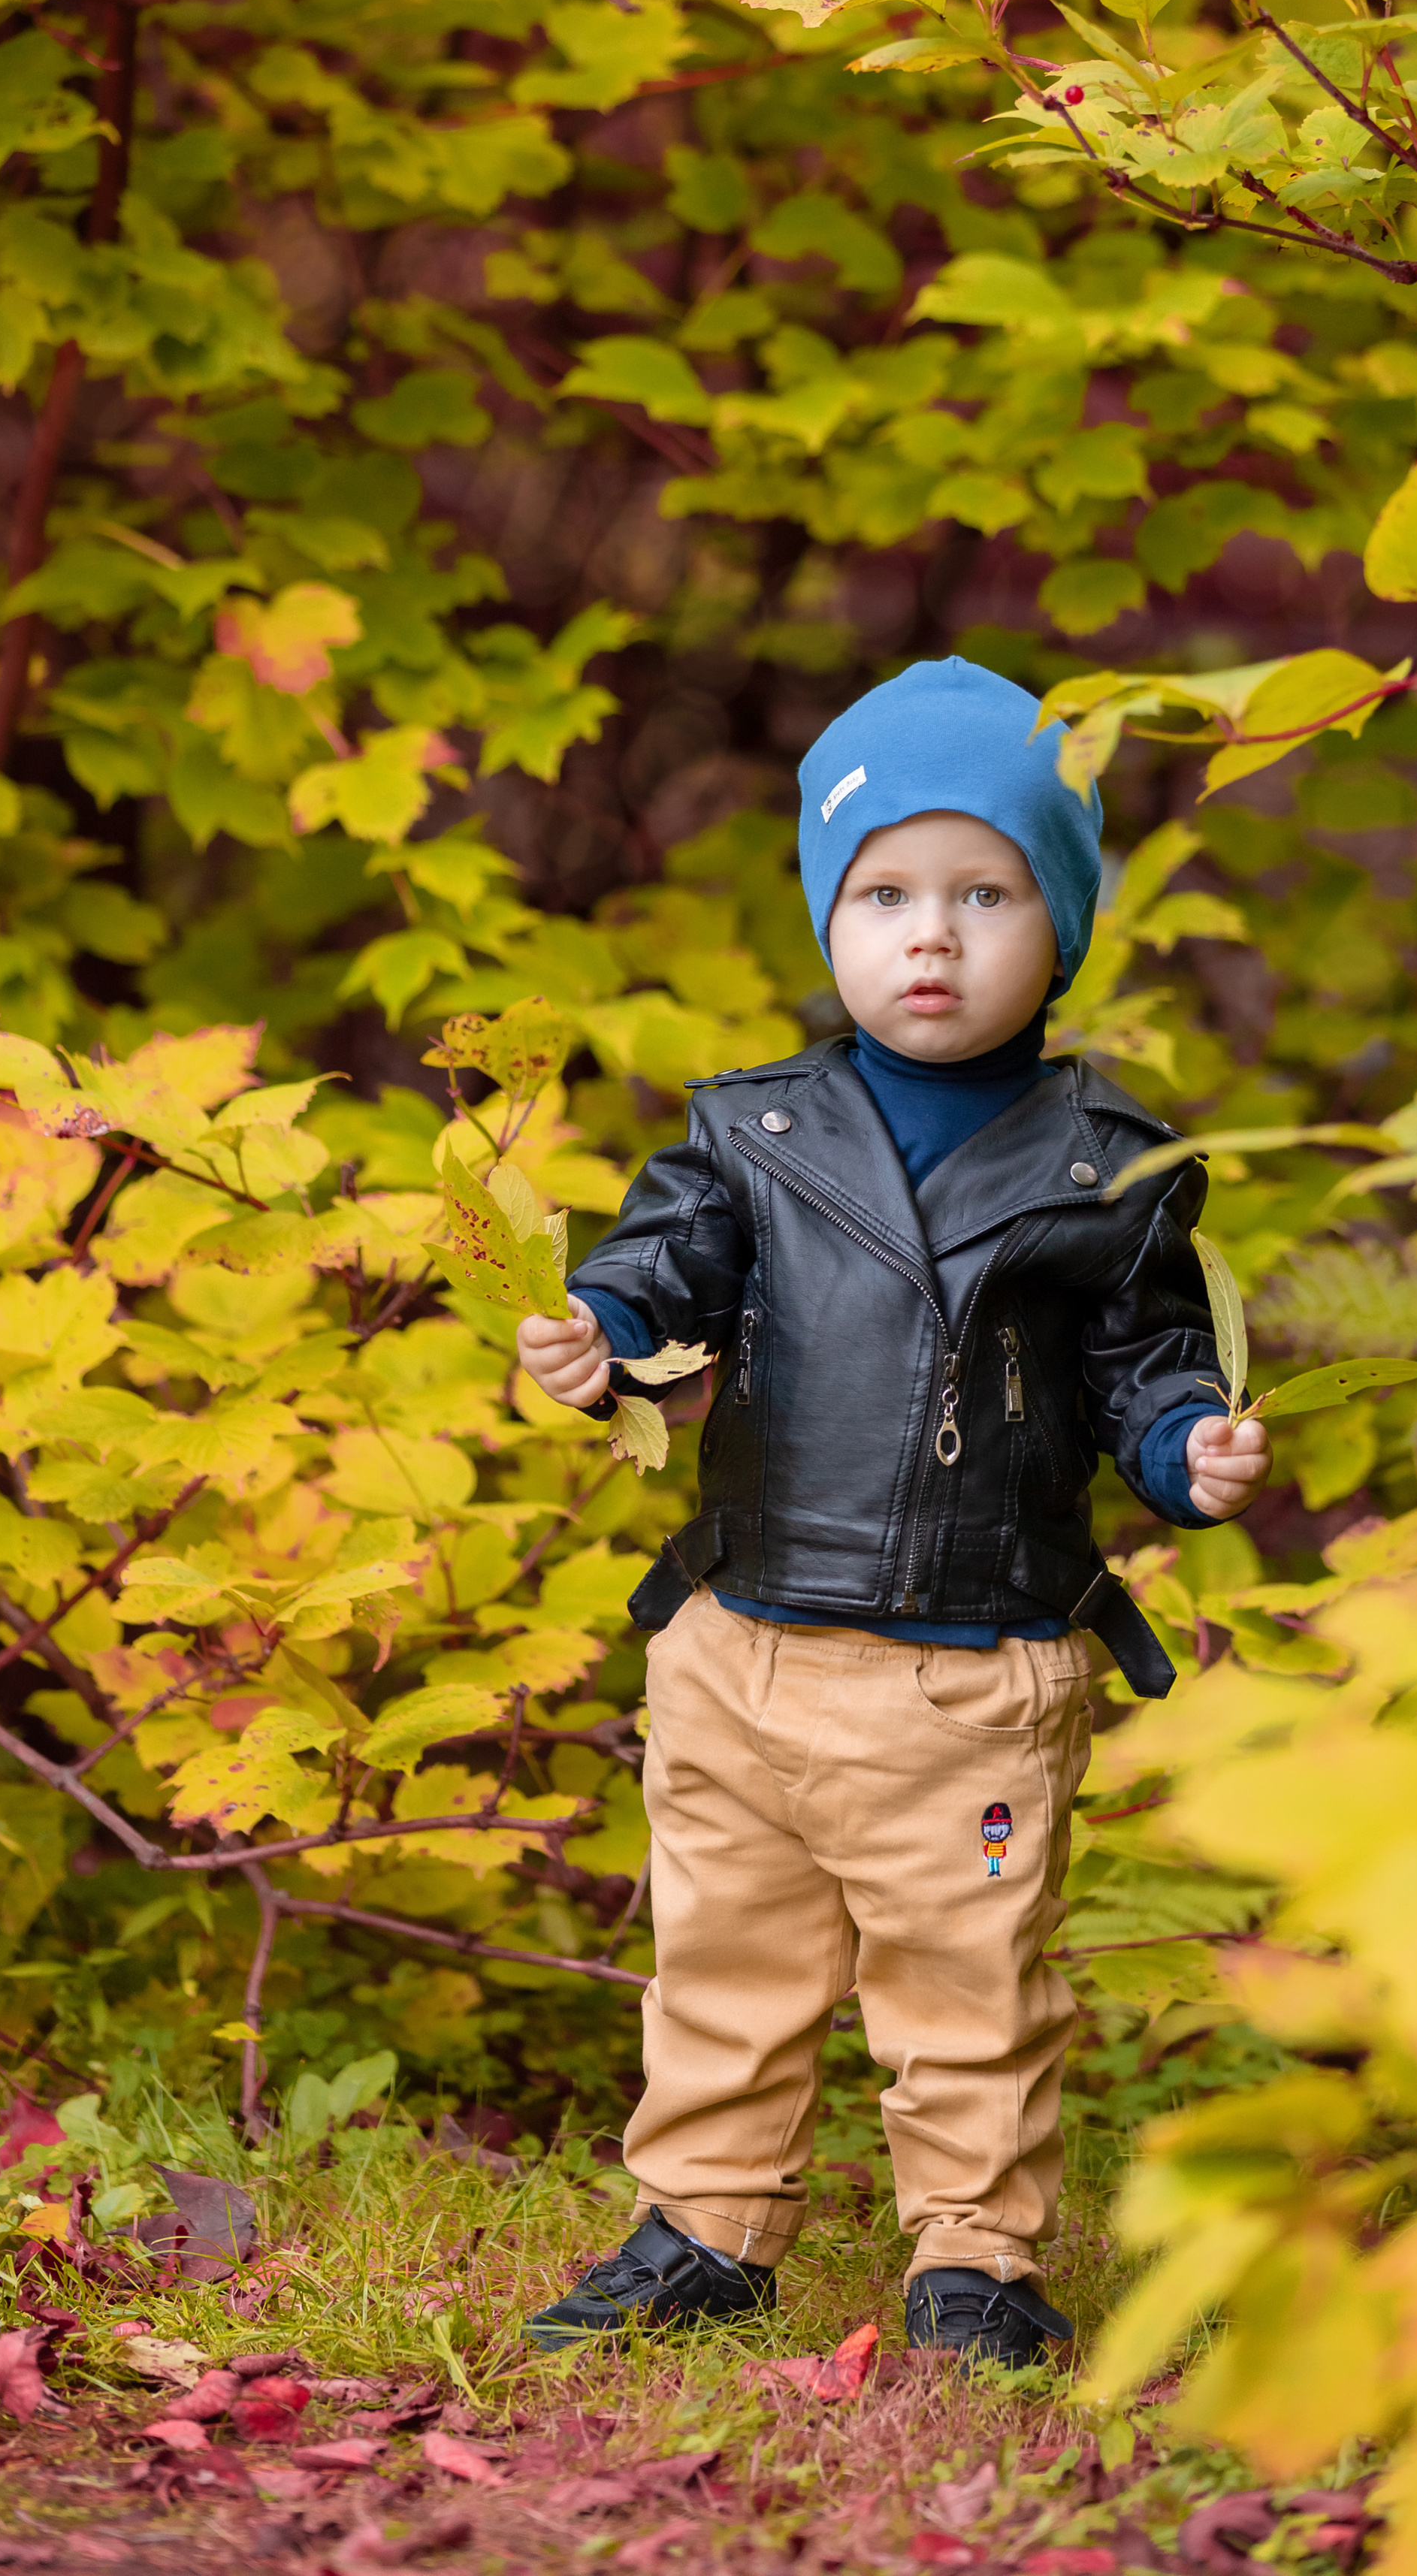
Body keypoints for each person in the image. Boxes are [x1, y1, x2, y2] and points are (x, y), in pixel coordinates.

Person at [515, 656, 1269, 2365]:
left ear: (1056, 928)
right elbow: (658, 1267)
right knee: (724, 1961)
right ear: (828, 921)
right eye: (884, 894)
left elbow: (1146, 1366)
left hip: (968, 1668)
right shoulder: (751, 1132)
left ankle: (974, 2262)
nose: (928, 937)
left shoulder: (1109, 1165)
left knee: (968, 1985)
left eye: (984, 892)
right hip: (741, 1645)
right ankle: (709, 2226)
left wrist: (1185, 1452)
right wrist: (602, 1334)